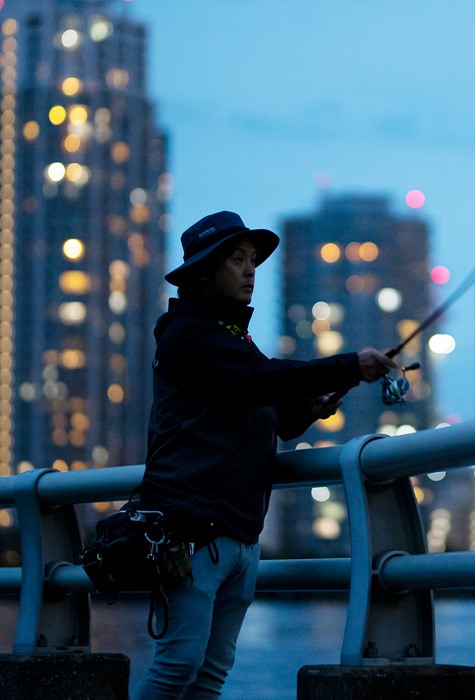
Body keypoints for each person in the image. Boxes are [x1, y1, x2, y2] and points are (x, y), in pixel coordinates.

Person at [132, 211, 397, 699]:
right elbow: (259, 380)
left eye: (253, 260)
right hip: (190, 530)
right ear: (204, 272)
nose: (251, 270)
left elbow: (265, 411)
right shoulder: (187, 335)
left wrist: (308, 410)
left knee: (209, 676)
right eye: (238, 260)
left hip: (238, 533)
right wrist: (348, 364)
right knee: (177, 667)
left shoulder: (234, 341)